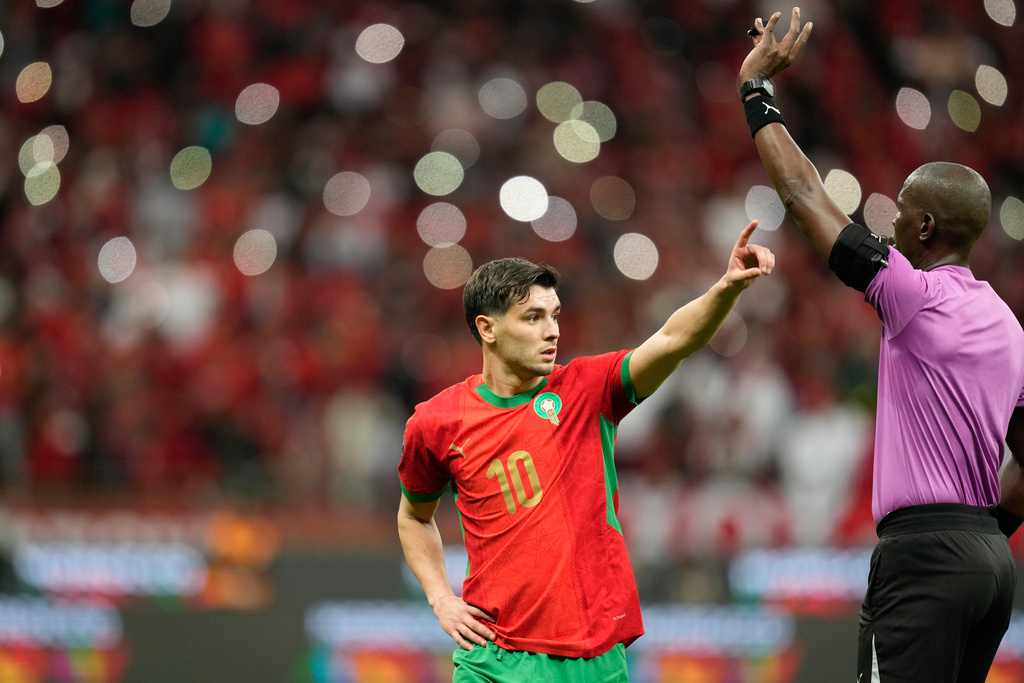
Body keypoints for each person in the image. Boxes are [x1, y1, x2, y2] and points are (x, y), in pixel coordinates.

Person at [738, 9, 1024, 683]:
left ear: (926, 224)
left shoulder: (913, 297)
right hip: (990, 563)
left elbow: (803, 191)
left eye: (898, 208)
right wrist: (983, 531)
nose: (887, 219)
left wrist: (756, 92)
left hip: (922, 554)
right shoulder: (1010, 325)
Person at [397, 221, 774, 681]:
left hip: (594, 658)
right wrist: (441, 598)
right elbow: (414, 516)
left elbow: (673, 340)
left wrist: (725, 291)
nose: (552, 331)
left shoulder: (587, 389)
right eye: (533, 318)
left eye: (555, 315)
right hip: (494, 658)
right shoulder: (436, 421)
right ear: (487, 328)